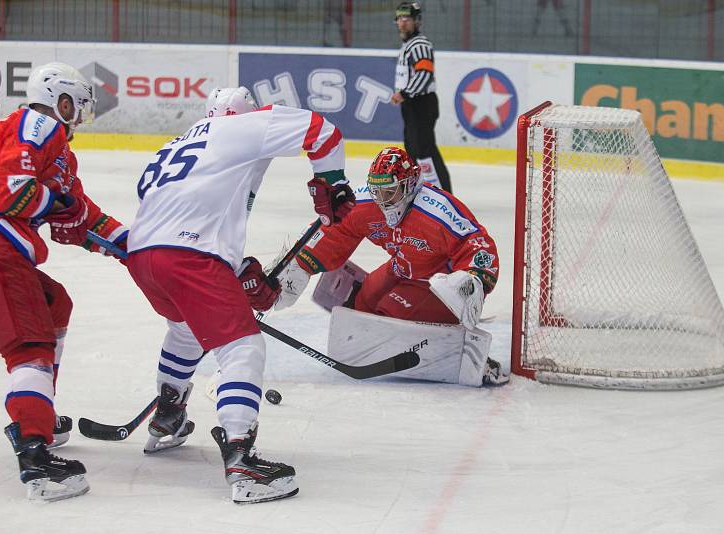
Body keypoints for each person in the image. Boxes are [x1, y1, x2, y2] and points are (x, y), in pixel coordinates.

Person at [124, 86, 355, 503]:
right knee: (243, 347)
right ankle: (241, 460)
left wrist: (238, 273)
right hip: (189, 257)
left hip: (143, 257)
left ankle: (168, 417)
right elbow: (324, 132)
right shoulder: (242, 127)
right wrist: (333, 186)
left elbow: (187, 214)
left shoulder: (174, 145)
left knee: (185, 331)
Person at [0, 62, 128, 501]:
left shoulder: (60, 154)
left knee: (54, 304)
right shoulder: (37, 122)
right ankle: (36, 456)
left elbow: (79, 219)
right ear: (60, 101)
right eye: (77, 107)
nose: (79, 117)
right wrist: (53, 200)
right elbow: (13, 191)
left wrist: (132, 247)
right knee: (31, 346)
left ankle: (37, 411)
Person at [266, 147, 508, 386]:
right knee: (362, 304)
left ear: (410, 184)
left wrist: (474, 280)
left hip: (436, 282)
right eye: (378, 192)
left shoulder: (437, 211)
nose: (383, 201)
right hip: (400, 268)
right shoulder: (365, 204)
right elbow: (337, 228)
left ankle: (457, 352)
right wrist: (302, 264)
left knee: (389, 314)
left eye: (390, 192)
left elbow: (477, 243)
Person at [391, 1, 452, 194]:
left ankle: (444, 194)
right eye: (400, 19)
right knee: (414, 150)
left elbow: (424, 74)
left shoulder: (419, 44)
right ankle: (424, 191)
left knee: (425, 151)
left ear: (417, 21)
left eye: (407, 19)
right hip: (412, 104)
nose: (402, 23)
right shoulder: (409, 45)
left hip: (420, 103)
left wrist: (404, 93)